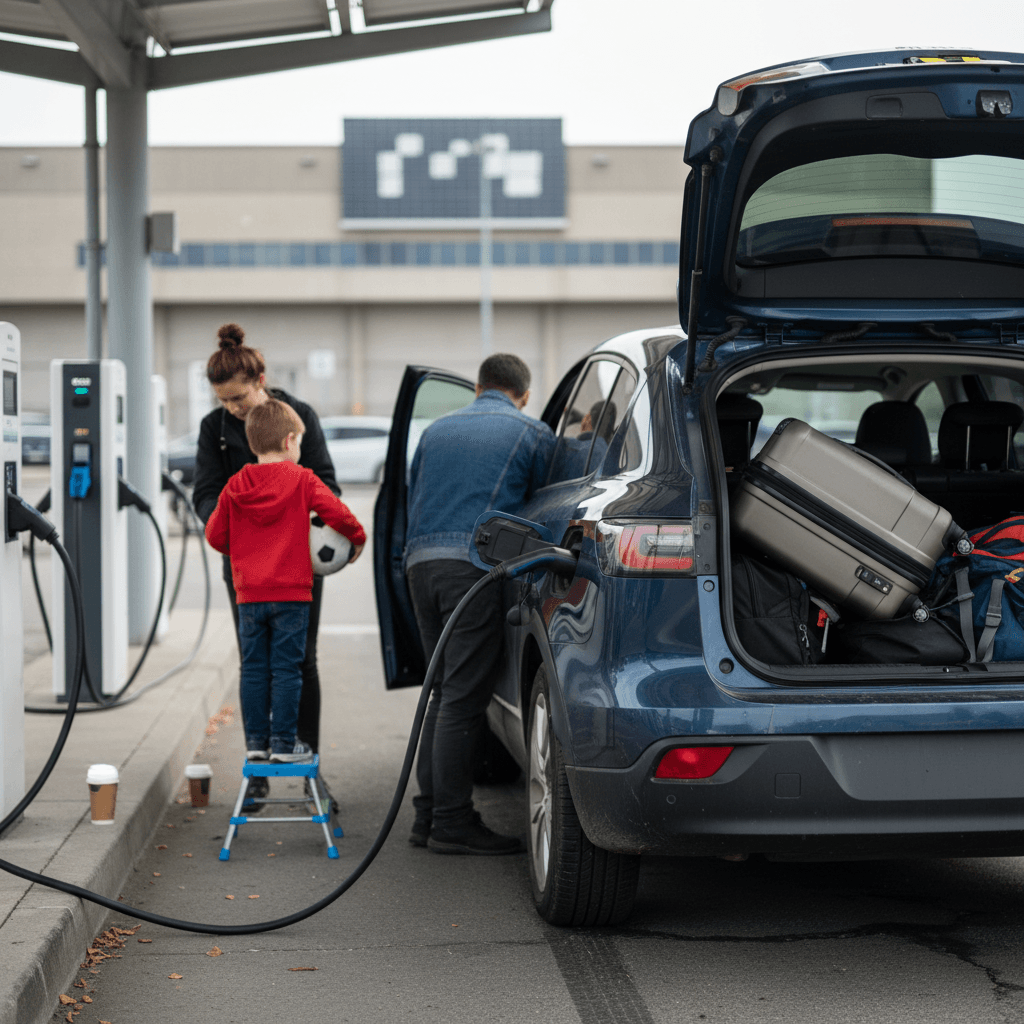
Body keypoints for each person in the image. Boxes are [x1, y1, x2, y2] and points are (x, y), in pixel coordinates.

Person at [405, 353, 555, 855]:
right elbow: (545, 508)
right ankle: (451, 822)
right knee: (463, 700)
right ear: (524, 393)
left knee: (442, 693)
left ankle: (427, 817)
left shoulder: (434, 432)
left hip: (420, 567)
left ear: (478, 386)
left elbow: (412, 499)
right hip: (469, 568)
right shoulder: (531, 433)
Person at [192, 324, 341, 795]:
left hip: (298, 567)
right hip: (245, 570)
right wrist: (238, 526)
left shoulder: (300, 418)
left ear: (260, 381)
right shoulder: (213, 430)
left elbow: (329, 486)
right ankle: (259, 770)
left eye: (238, 398)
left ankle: (307, 767)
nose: (232, 409)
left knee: (301, 663)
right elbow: (204, 496)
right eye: (224, 402)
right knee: (254, 663)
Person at [205, 399, 366, 761]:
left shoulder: (235, 484)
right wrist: (358, 538)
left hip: (248, 596)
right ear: (291, 440)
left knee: (254, 668)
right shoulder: (303, 479)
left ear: (252, 443)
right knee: (287, 669)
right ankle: (283, 744)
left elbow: (215, 536)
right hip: (291, 596)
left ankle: (256, 745)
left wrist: (246, 548)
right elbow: (337, 513)